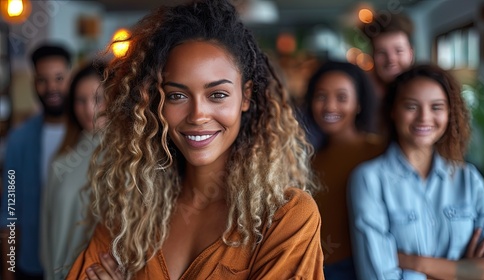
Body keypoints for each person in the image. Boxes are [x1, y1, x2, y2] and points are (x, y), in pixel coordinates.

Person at [67, 1, 323, 279]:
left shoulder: (286, 216)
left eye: (217, 95)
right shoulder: (129, 212)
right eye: (177, 95)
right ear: (156, 102)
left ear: (246, 96)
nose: (198, 114)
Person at [348, 64, 484, 280]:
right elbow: (377, 276)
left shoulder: (468, 178)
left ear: (450, 113)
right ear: (393, 110)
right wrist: (464, 271)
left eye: (436, 107)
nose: (424, 117)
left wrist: (415, 263)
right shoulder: (368, 180)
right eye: (411, 106)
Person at [303, 61, 386, 279]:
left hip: (366, 268)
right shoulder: (308, 160)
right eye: (321, 96)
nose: (330, 106)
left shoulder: (379, 151)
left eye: (341, 97)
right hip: (316, 269)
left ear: (358, 103)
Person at [1, 44, 72, 280]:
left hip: (76, 263)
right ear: (34, 83)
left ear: (70, 79)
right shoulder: (19, 139)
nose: (51, 87)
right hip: (31, 265)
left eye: (59, 78)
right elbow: (10, 209)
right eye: (43, 80)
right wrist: (8, 270)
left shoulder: (88, 136)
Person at [40, 62, 106, 280]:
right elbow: (46, 229)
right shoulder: (62, 159)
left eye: (98, 99)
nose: (89, 109)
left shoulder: (132, 160)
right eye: (80, 100)